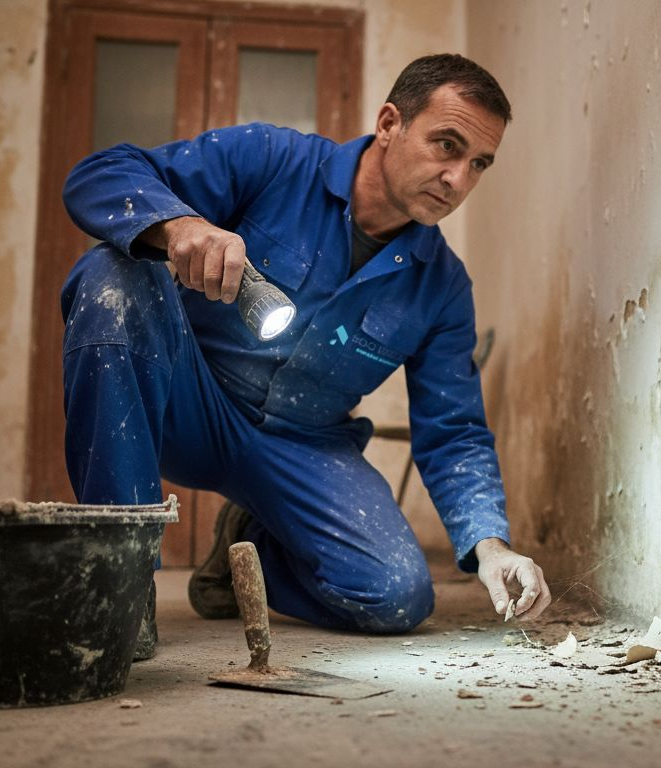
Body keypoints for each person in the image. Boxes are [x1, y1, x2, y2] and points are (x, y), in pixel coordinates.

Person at [60, 54, 550, 658]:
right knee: (113, 273)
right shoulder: (273, 161)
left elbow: (453, 430)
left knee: (396, 597)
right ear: (390, 122)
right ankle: (119, 579)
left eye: (479, 164)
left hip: (303, 445)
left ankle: (252, 549)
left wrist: (491, 546)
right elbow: (101, 172)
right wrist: (179, 226)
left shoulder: (442, 287)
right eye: (445, 145)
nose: (457, 179)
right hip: (186, 403)